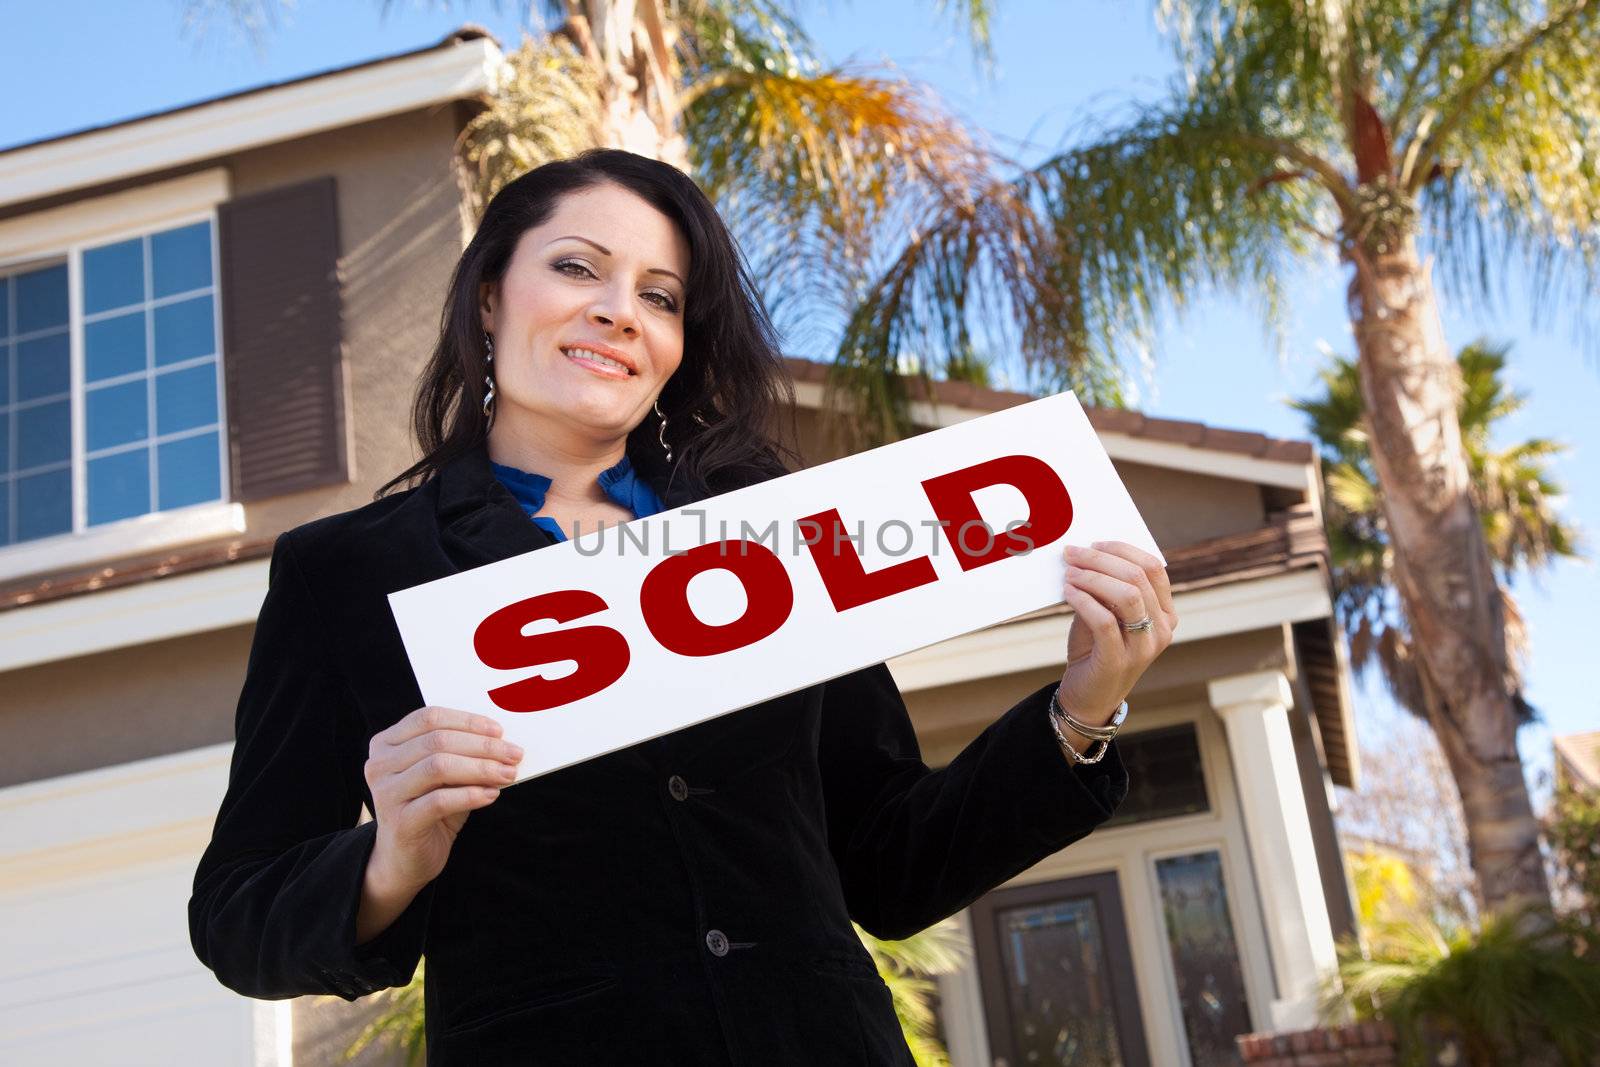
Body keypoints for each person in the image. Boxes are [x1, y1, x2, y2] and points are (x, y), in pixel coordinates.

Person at [188, 148, 1177, 1066]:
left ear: (676, 345)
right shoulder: (349, 573)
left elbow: (890, 863)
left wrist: (1081, 707)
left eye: (659, 296)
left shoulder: (775, 540)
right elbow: (237, 912)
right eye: (578, 268)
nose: (620, 311)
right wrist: (389, 859)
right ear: (490, 297)